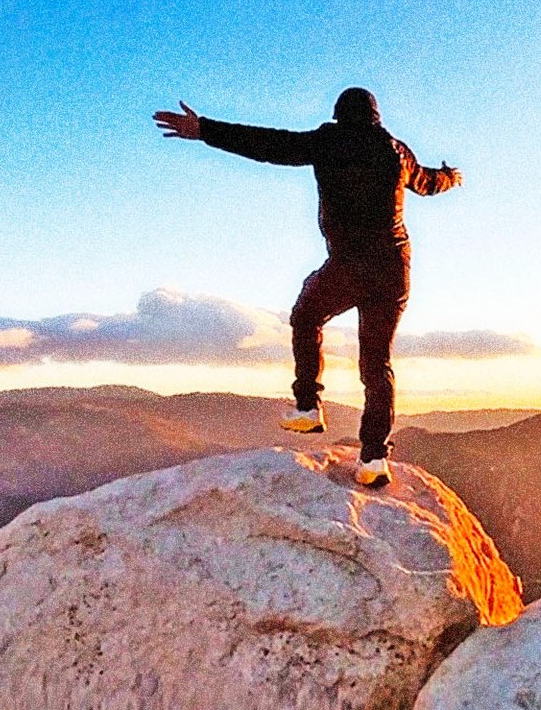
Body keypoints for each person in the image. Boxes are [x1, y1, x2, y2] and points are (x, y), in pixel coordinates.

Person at [153, 87, 461, 488]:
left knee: (306, 314)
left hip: (351, 264)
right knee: (376, 363)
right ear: (376, 116)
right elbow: (429, 182)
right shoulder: (396, 151)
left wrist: (205, 130)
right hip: (393, 268)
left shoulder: (328, 141)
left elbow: (270, 144)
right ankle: (372, 459)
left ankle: (308, 406)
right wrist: (452, 178)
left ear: (338, 115)